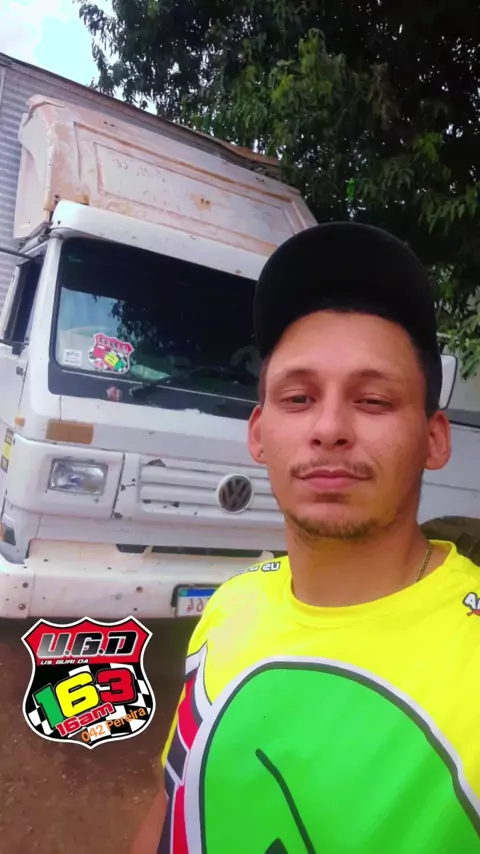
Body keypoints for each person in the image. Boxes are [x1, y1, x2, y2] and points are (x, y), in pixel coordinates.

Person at [131, 222, 480, 854]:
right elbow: (173, 799)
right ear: (258, 433)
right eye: (298, 397)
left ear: (434, 439)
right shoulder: (229, 607)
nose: (329, 427)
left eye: (373, 401)